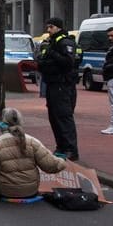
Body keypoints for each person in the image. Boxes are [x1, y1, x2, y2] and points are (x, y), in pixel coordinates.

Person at [0, 108, 66, 199]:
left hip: (6, 191)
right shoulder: (32, 142)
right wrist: (63, 161)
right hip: (30, 190)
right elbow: (51, 165)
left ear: (3, 123)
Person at [36, 17, 79, 161]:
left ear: (58, 27)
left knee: (63, 117)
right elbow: (41, 62)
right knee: (54, 117)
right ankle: (61, 146)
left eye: (51, 27)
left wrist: (52, 54)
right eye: (48, 27)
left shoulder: (65, 42)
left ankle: (71, 150)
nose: (48, 30)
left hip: (62, 85)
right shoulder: (51, 42)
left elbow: (68, 62)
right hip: (53, 84)